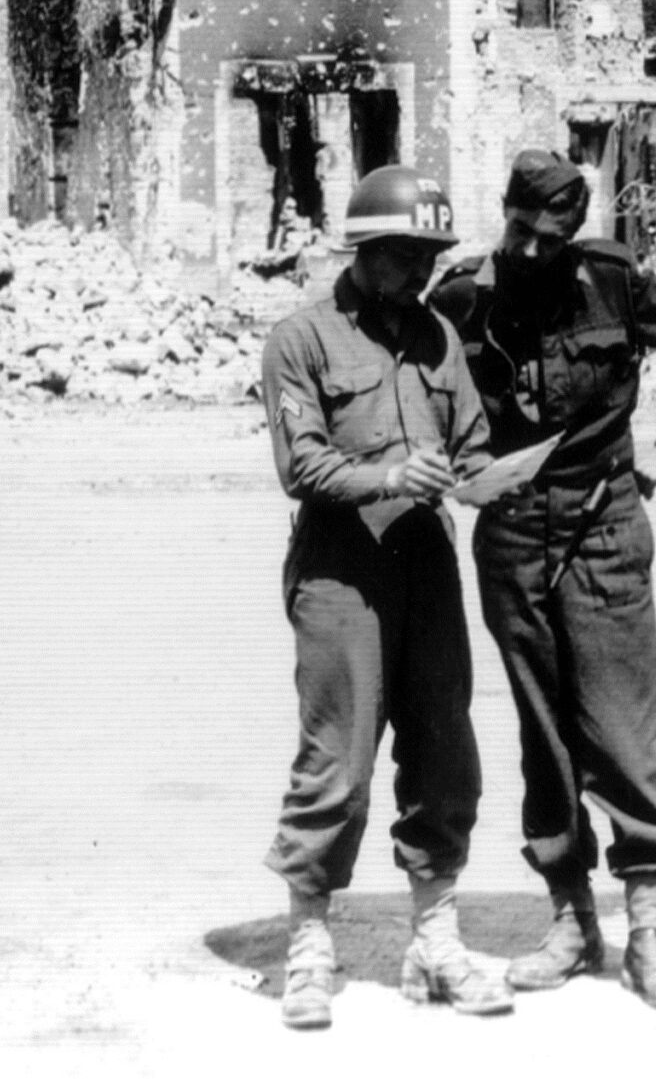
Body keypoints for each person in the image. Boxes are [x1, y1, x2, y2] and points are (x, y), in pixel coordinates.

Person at [428, 149, 656, 1012]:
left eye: (552, 237)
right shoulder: (460, 296)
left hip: (605, 528)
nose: (532, 251)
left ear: (576, 233)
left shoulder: (613, 281)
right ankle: (572, 921)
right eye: (521, 230)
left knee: (622, 728)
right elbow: (418, 387)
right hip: (513, 532)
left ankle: (646, 933)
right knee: (545, 733)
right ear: (504, 212)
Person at [261, 164, 512, 1031]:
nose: (423, 271)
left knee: (446, 751)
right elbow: (303, 466)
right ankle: (308, 946)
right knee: (338, 759)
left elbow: (471, 441)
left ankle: (435, 936)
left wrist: (486, 477)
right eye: (408, 254)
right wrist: (391, 473)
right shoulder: (302, 339)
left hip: (425, 567)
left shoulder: (440, 336)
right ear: (366, 251)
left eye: (432, 254)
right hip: (340, 572)